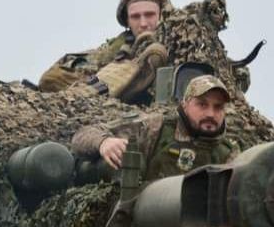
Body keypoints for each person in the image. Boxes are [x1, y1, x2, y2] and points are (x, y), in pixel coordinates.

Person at [70, 74, 240, 181]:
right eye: (202, 104)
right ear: (185, 104)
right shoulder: (156, 128)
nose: (211, 113)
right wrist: (104, 142)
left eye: (218, 107)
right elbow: (83, 134)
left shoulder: (229, 154)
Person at [38, 0, 172, 98]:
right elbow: (53, 78)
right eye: (135, 17)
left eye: (149, 15)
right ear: (127, 21)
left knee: (156, 51)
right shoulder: (118, 47)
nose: (143, 23)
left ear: (163, 14)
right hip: (108, 97)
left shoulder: (177, 39)